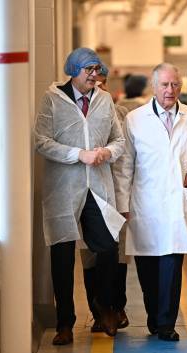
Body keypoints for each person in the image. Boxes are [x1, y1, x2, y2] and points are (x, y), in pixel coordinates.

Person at [34, 48, 125, 345]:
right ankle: (65, 324)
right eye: (89, 70)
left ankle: (105, 307)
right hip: (64, 188)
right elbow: (41, 141)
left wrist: (106, 152)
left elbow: (119, 139)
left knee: (108, 248)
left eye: (97, 70)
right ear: (73, 70)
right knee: (61, 257)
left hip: (97, 187)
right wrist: (78, 155)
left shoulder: (104, 99)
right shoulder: (52, 100)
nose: (95, 76)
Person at [114, 63, 187, 341]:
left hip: (177, 203)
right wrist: (123, 202)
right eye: (165, 85)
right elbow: (125, 166)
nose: (170, 90)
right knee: (147, 268)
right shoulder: (135, 119)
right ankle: (154, 318)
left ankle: (166, 324)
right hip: (144, 202)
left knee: (171, 261)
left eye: (175, 85)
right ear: (153, 86)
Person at [80, 64, 130, 332]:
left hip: (112, 192)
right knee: (90, 254)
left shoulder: (119, 113)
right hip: (86, 194)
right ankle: (97, 311)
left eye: (100, 84)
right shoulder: (77, 112)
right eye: (91, 83)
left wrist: (124, 200)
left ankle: (116, 306)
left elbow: (126, 160)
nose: (95, 88)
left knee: (117, 254)